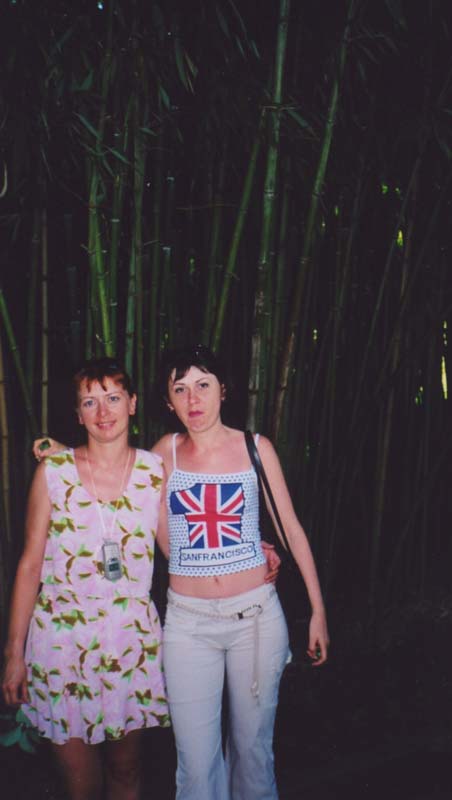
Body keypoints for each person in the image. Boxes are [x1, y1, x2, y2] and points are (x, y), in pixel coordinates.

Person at [151, 344, 329, 800]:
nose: (193, 399)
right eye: (180, 389)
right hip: (188, 624)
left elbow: (290, 528)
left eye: (203, 385)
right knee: (195, 765)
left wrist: (317, 610)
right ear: (168, 401)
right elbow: (121, 489)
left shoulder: (255, 448)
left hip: (255, 620)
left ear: (224, 391)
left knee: (252, 753)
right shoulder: (164, 453)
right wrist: (60, 454)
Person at [1, 358, 170, 800]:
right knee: (80, 784)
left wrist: (253, 557)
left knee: (126, 770)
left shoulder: (154, 471)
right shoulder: (53, 473)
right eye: (90, 402)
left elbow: (180, 553)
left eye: (113, 398)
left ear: (132, 403)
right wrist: (14, 652)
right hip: (61, 641)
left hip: (130, 640)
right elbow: (29, 565)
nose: (103, 411)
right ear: (78, 414)